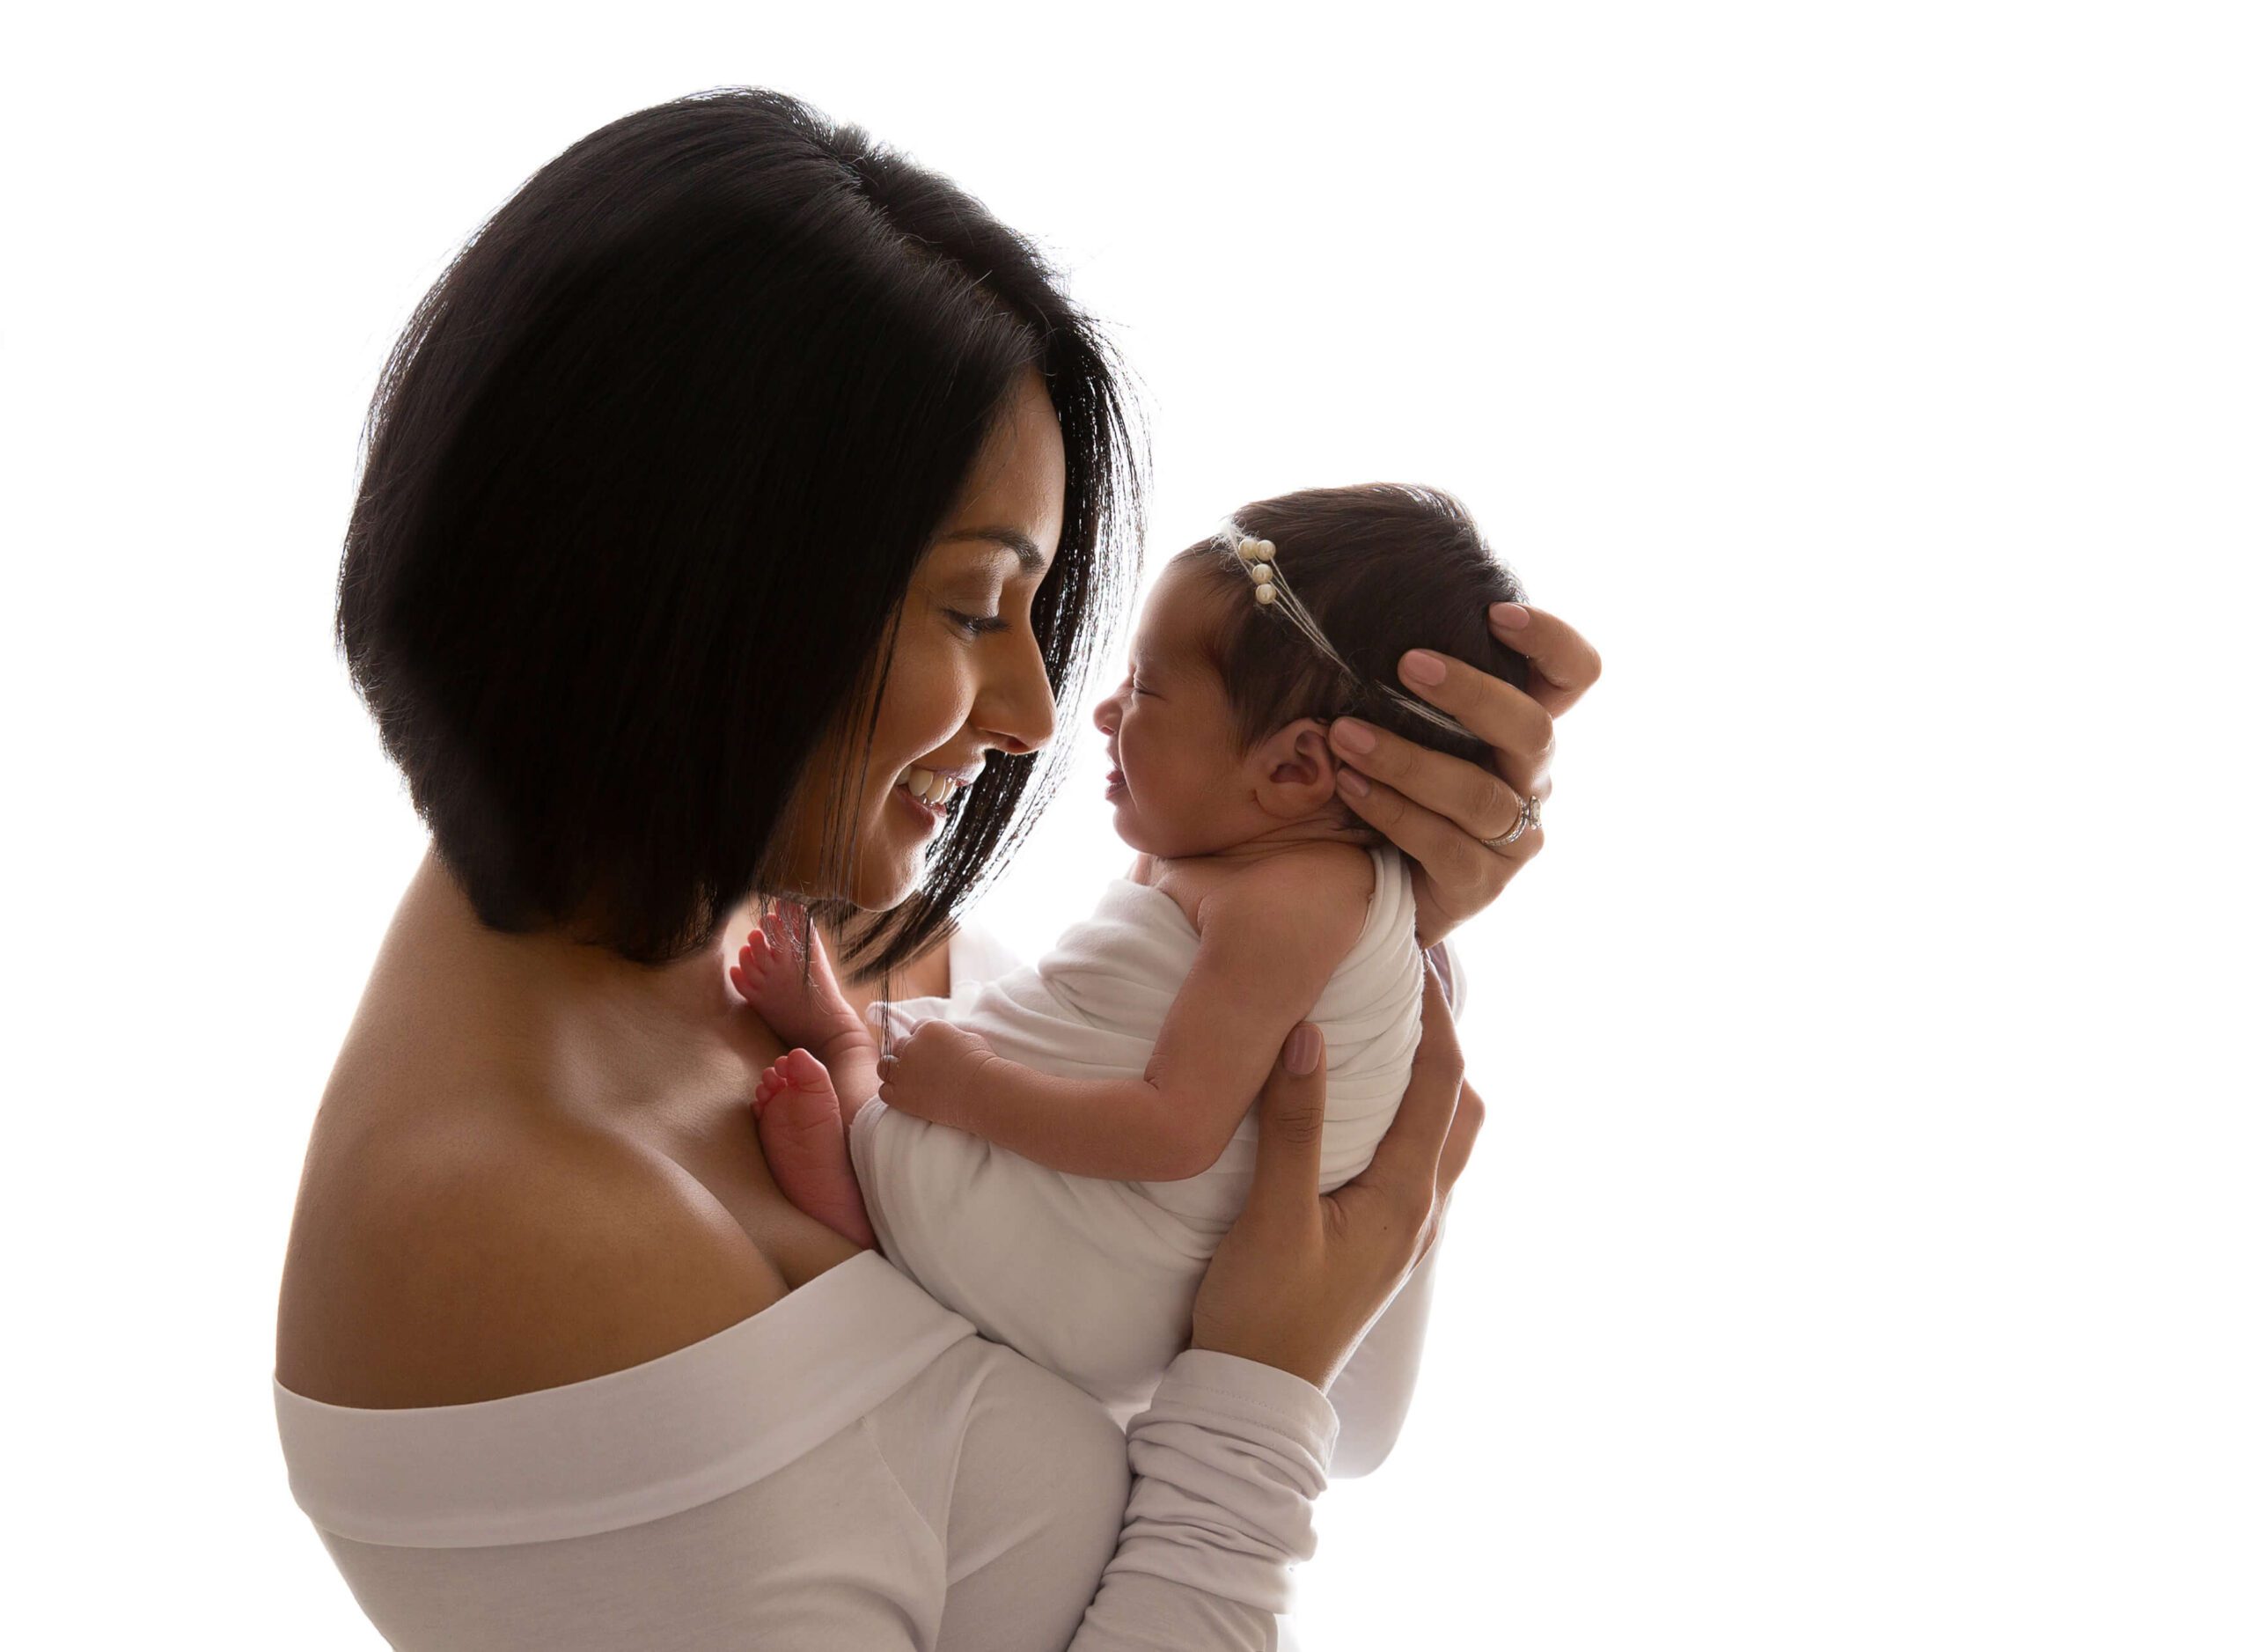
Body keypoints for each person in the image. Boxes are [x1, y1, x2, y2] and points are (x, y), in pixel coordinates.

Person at [273, 88, 1600, 1649]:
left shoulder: (830, 931)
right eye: (979, 607)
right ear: (704, 584)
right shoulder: (527, 1242)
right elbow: (1272, 1372)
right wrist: (1257, 1394)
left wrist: (1375, 918)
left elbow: (1322, 1362)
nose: (1039, 715)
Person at [734, 484, 1533, 1427]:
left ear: (1293, 768)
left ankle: (853, 1118)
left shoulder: (1296, 903)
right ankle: (861, 1097)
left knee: (918, 1079)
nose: (1101, 710)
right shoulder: (1261, 868)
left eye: (1146, 686)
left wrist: (975, 1089)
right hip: (1124, 1309)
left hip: (1093, 1286)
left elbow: (1175, 1131)